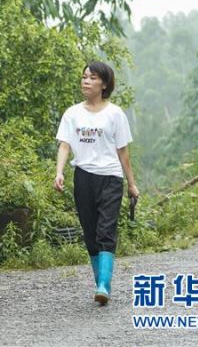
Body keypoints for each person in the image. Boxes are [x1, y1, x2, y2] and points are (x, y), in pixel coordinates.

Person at [54, 61, 139, 305]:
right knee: (90, 231)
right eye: (84, 77)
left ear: (104, 84)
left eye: (91, 78)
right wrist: (59, 172)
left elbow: (123, 153)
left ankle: (104, 285)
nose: (86, 81)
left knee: (105, 230)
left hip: (111, 178)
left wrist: (131, 184)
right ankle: (100, 282)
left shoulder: (115, 114)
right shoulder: (72, 113)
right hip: (83, 177)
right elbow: (65, 145)